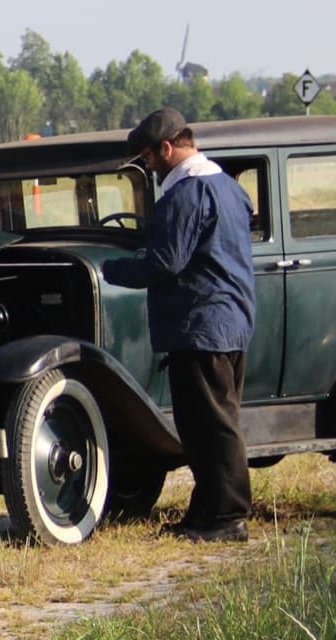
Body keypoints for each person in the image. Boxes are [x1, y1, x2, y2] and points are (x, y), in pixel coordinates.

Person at [101, 108, 257, 541]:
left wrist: (110, 270)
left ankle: (227, 518)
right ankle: (205, 513)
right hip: (230, 320)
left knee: (212, 425)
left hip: (199, 324)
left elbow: (165, 262)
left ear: (167, 148)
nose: (148, 168)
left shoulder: (185, 194)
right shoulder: (228, 187)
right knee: (210, 423)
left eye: (148, 158)